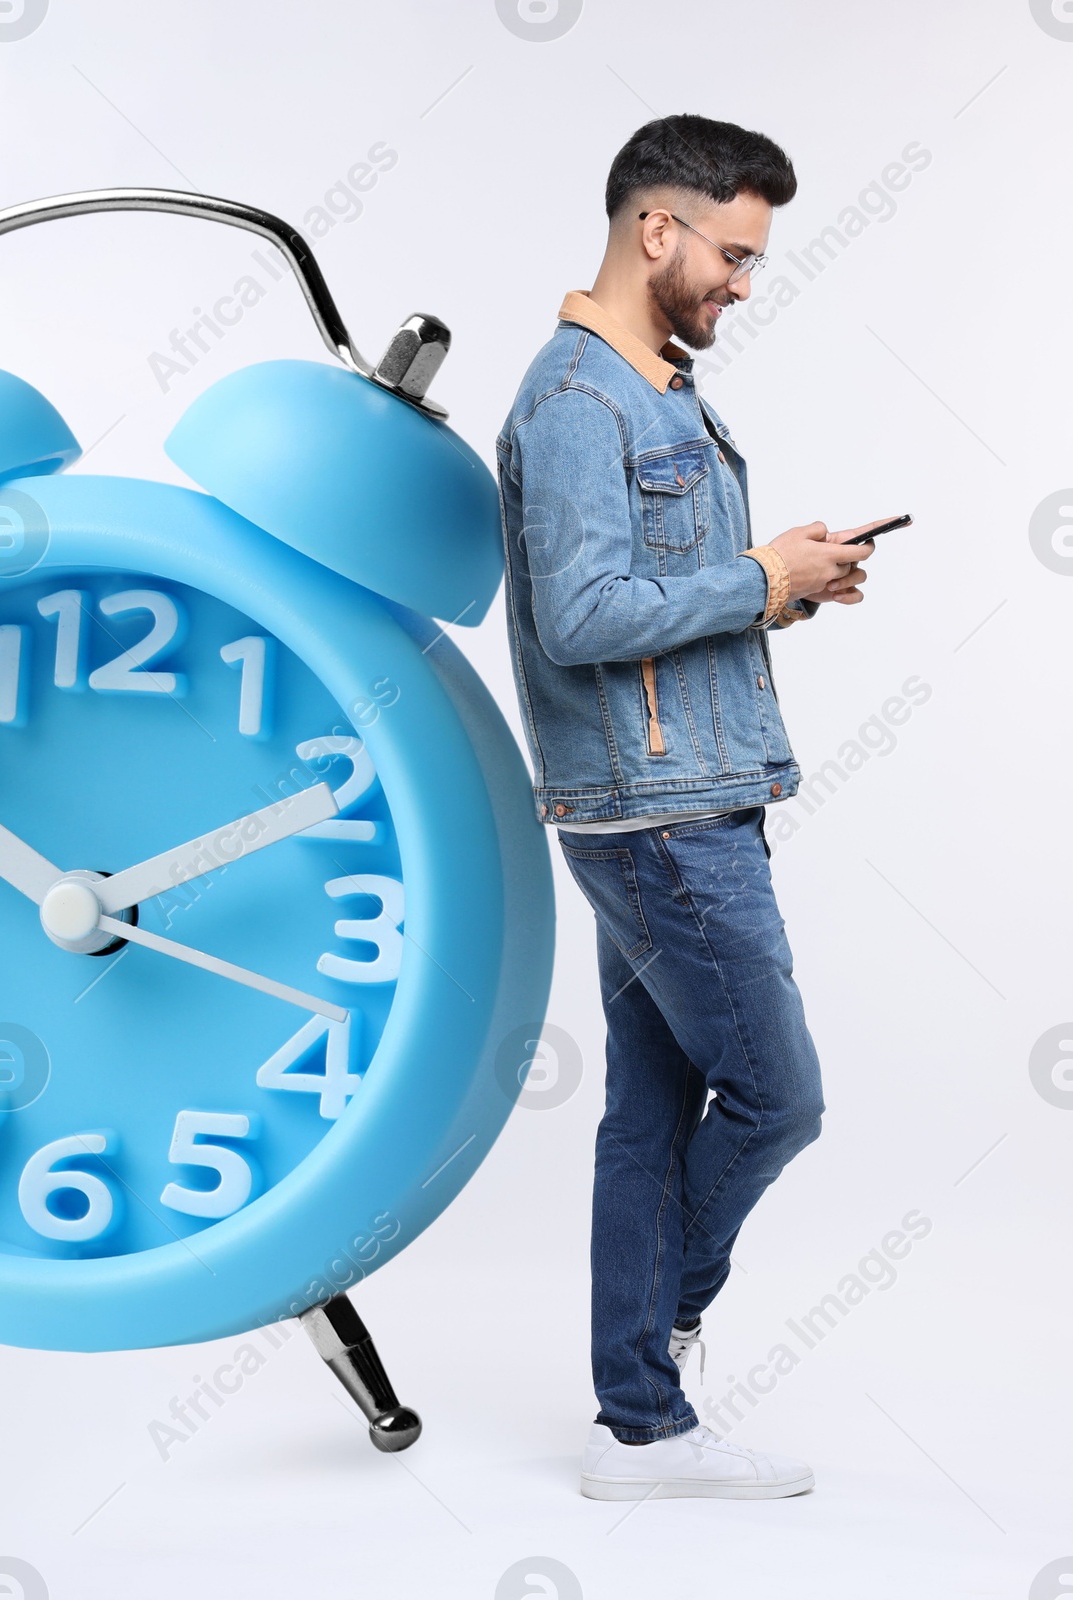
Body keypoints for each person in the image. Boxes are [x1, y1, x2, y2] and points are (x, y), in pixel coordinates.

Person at [496, 113, 896, 1500]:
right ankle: (658, 1347)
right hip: (658, 813)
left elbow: (660, 604)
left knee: (651, 1119)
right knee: (780, 1099)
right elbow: (584, 618)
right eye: (731, 251)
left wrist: (786, 583)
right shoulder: (577, 403)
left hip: (685, 793)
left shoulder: (655, 388)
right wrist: (758, 577)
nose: (741, 279)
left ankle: (639, 1433)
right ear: (653, 228)